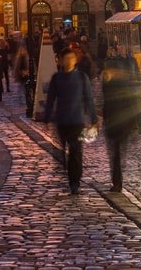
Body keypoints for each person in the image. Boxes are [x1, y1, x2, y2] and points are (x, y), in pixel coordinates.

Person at [42, 46, 97, 194]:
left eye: (71, 59)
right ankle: (67, 174)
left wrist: (93, 118)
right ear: (60, 61)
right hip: (62, 121)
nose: (69, 61)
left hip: (77, 121)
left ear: (75, 61)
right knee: (61, 153)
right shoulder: (56, 78)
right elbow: (50, 99)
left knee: (76, 152)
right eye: (66, 59)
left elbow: (88, 99)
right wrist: (46, 118)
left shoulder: (81, 77)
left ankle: (75, 182)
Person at [101, 56, 141, 192]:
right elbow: (136, 104)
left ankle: (117, 182)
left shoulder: (107, 85)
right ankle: (117, 181)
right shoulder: (123, 84)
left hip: (116, 124)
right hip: (121, 124)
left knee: (116, 154)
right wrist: (139, 122)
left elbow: (105, 105)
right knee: (118, 154)